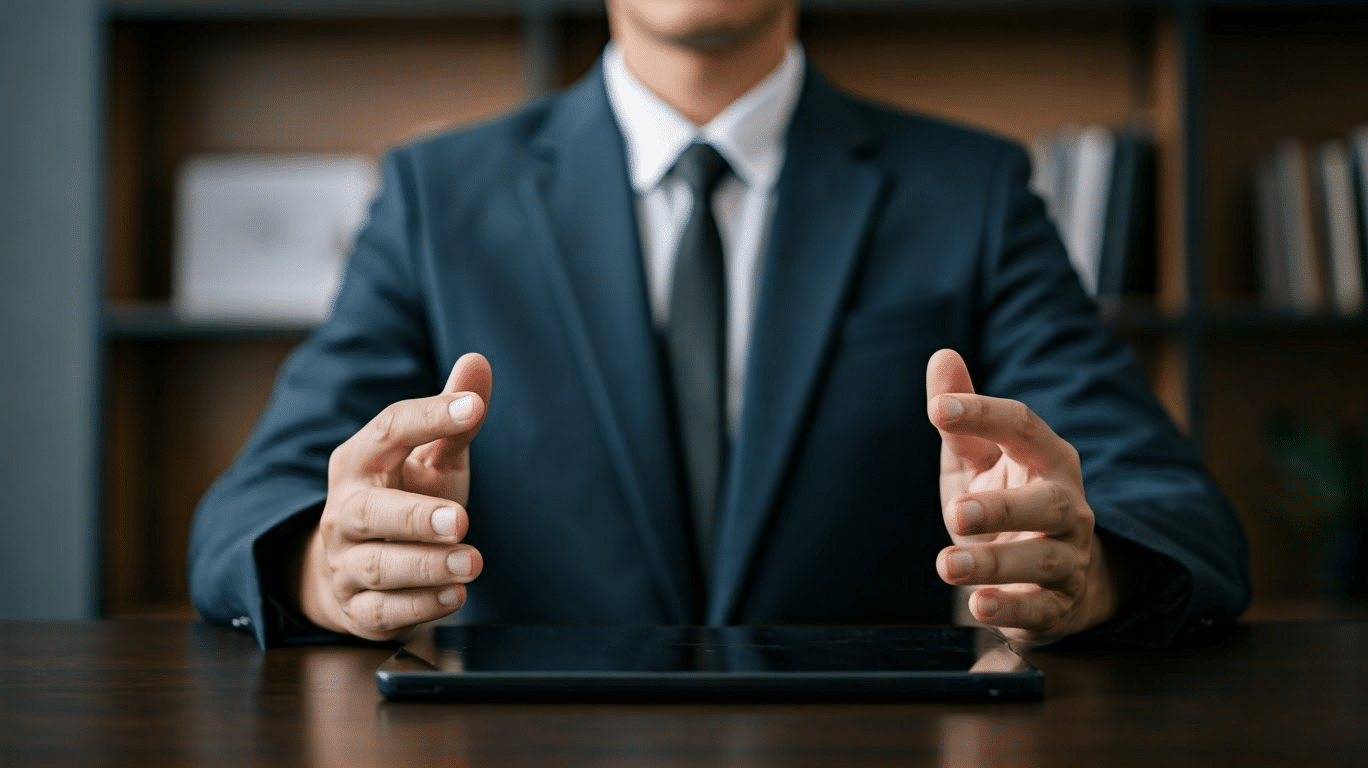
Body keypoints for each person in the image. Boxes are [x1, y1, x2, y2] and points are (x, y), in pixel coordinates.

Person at [188, 0, 1250, 649]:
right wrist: (326, 568)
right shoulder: (436, 195)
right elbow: (252, 504)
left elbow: (1171, 506)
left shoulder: (968, 190)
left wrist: (1085, 572)